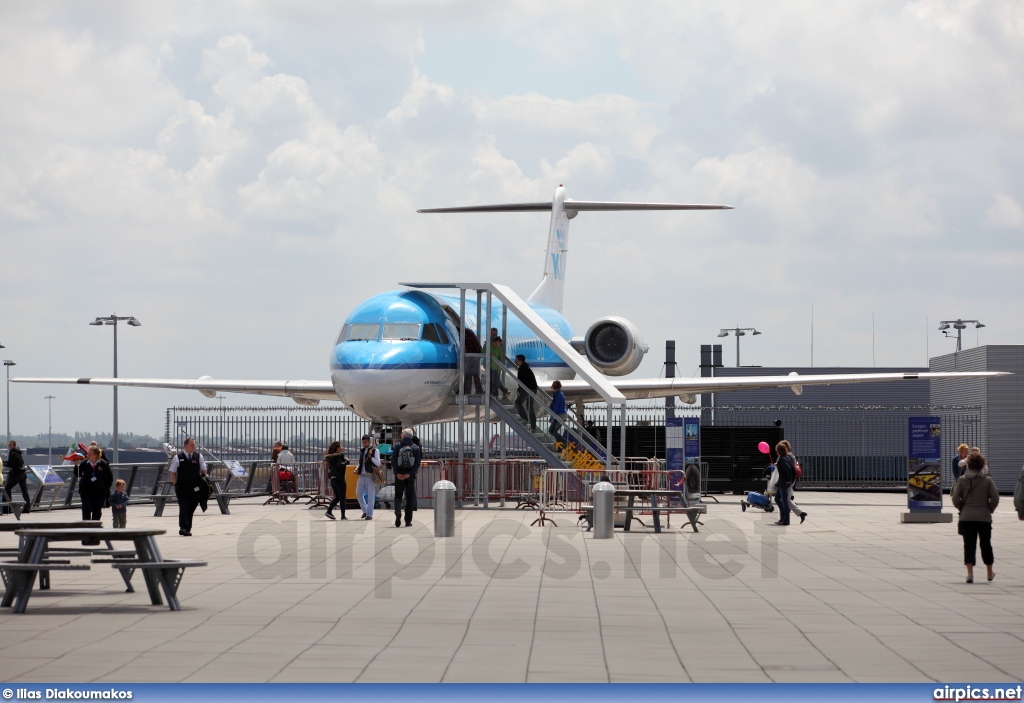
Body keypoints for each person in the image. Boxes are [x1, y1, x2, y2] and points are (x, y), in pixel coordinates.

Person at [952, 449, 999, 583]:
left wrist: (962, 508)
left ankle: (970, 574)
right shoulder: (988, 480)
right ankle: (989, 572)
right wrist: (989, 509)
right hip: (984, 517)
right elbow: (995, 498)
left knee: (969, 545)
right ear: (981, 465)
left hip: (966, 517)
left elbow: (955, 498)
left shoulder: (961, 480)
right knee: (986, 544)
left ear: (968, 465)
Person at [168, 437, 208, 536]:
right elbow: (172, 472)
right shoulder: (178, 457)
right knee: (184, 506)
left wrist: (203, 480)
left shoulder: (198, 457)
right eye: (191, 445)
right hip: (182, 487)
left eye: (194, 445)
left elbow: (204, 470)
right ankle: (183, 527)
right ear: (185, 446)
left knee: (192, 507)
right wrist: (175, 483)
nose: (193, 447)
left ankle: (188, 527)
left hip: (195, 488)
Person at [392, 428, 421, 527]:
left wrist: (397, 473)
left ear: (403, 436)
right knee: (409, 497)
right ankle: (408, 521)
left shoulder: (397, 446)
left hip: (399, 474)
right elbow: (417, 463)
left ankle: (398, 512)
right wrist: (410, 473)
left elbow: (393, 461)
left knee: (398, 495)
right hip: (410, 476)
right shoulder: (415, 447)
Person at [78, 445, 113, 522]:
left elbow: (109, 478)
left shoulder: (103, 464)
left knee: (96, 511)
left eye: (90, 454)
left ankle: (94, 529)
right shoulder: (84, 463)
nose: (87, 455)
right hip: (86, 491)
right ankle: (86, 529)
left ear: (95, 455)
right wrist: (75, 465)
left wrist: (104, 488)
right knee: (86, 509)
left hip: (99, 492)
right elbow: (78, 474)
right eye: (87, 454)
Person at [353, 434, 381, 520]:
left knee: (370, 495)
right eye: (363, 442)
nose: (364, 444)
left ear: (369, 442)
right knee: (358, 493)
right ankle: (365, 510)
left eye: (365, 442)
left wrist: (371, 457)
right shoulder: (362, 451)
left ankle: (369, 514)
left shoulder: (375, 451)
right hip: (362, 475)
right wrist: (357, 468)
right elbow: (361, 462)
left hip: (370, 475)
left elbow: (378, 463)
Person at [780, 439, 807, 524]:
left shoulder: (787, 457)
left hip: (789, 480)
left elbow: (789, 469)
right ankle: (798, 513)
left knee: (786, 499)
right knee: (786, 499)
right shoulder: (790, 456)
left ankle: (797, 514)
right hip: (791, 479)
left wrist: (789, 480)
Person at [3, 440, 31, 514]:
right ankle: (27, 508)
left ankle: (7, 508)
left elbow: (9, 464)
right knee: (24, 491)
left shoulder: (12, 453)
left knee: (7, 488)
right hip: (22, 473)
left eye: (11, 445)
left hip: (16, 474)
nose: (9, 446)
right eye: (9, 445)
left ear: (14, 446)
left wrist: (3, 463)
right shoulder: (18, 453)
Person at [772, 441, 796, 526]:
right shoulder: (786, 457)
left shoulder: (782, 459)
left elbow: (788, 469)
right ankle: (782, 518)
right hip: (782, 482)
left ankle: (786, 520)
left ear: (778, 450)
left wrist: (788, 480)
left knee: (784, 501)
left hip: (784, 482)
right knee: (777, 499)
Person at [323, 441, 348, 520]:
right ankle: (343, 516)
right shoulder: (339, 456)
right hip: (339, 479)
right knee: (342, 498)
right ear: (338, 448)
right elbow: (340, 465)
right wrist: (347, 461)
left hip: (333, 479)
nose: (342, 447)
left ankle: (329, 511)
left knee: (337, 497)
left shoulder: (331, 457)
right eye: (341, 446)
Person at [514, 354, 538, 431]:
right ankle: (533, 426)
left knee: (518, 402)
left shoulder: (522, 369)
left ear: (520, 361)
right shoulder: (526, 368)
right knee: (530, 408)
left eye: (516, 360)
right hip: (533, 389)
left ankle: (524, 419)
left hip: (527, 389)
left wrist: (520, 390)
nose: (515, 362)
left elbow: (522, 382)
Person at [463, 327, 484, 394]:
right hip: (475, 354)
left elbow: (469, 347)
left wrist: (466, 357)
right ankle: (477, 391)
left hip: (475, 354)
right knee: (472, 373)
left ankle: (468, 391)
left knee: (470, 373)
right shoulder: (468, 331)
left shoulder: (466, 334)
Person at [549, 381, 568, 445]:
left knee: (552, 431)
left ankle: (565, 442)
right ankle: (560, 446)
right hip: (562, 415)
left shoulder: (558, 395)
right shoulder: (560, 394)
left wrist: (551, 418)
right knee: (554, 431)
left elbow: (555, 407)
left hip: (560, 415)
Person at [489, 331, 507, 398]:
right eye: (492, 334)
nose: (493, 335)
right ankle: (494, 393)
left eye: (494, 334)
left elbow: (500, 358)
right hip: (490, 365)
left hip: (496, 366)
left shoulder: (499, 346)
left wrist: (499, 368)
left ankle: (497, 393)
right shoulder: (488, 343)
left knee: (495, 381)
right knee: (492, 380)